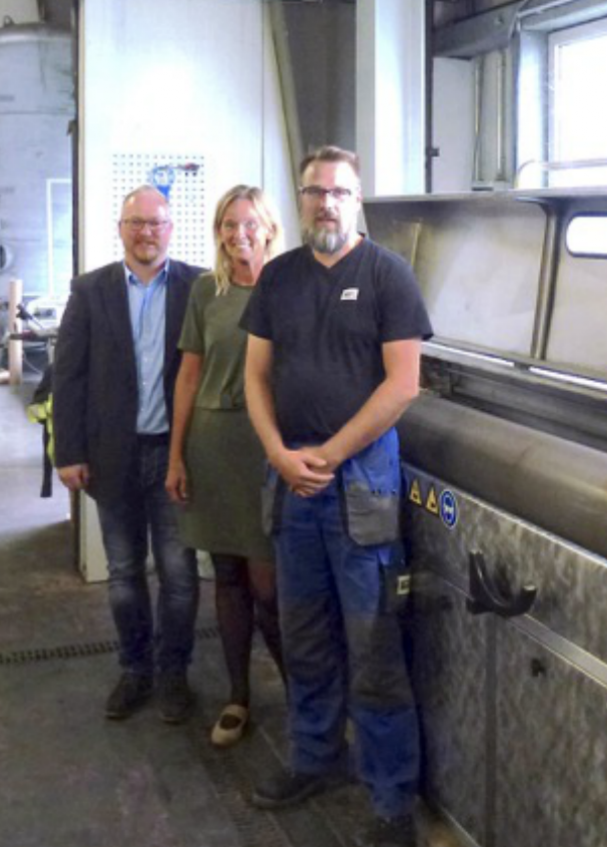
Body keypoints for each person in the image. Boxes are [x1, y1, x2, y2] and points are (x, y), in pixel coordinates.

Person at [242, 146, 432, 847]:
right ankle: (314, 759)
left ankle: (390, 799)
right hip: (292, 482)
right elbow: (256, 375)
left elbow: (404, 383)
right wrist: (277, 453)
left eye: (339, 192)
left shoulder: (388, 275)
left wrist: (331, 453)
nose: (326, 202)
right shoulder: (279, 278)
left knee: (373, 644)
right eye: (315, 191)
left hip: (360, 485)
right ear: (300, 200)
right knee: (306, 635)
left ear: (357, 201)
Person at [53, 185, 203, 724]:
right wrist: (68, 451)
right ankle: (135, 670)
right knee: (123, 574)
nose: (146, 232)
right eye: (135, 222)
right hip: (111, 456)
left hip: (175, 459)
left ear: (170, 229)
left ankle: (174, 675)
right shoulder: (90, 291)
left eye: (155, 222)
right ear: (120, 229)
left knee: (179, 576)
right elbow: (69, 376)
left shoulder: (198, 287)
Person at [166, 185, 286, 747]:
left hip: (267, 446)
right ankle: (238, 696)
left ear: (269, 228)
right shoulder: (204, 291)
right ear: (218, 232)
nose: (239, 234)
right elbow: (188, 376)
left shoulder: (288, 286)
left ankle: (305, 697)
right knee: (229, 579)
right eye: (229, 224)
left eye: (249, 223)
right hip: (213, 446)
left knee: (269, 586)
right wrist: (176, 455)